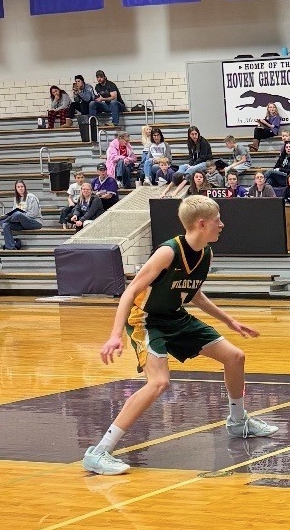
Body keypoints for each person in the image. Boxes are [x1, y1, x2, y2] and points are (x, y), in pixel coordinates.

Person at [81, 196, 277, 475]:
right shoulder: (168, 252)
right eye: (217, 220)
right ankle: (99, 452)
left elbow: (194, 293)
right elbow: (130, 291)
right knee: (159, 382)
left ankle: (238, 421)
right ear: (202, 224)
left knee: (235, 357)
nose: (222, 225)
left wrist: (230, 321)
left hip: (175, 316)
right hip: (146, 320)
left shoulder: (206, 253)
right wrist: (115, 335)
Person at [1, 180, 43, 250]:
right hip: (22, 223)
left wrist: (21, 216)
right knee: (6, 225)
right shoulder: (16, 199)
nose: (20, 188)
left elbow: (34, 213)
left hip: (35, 222)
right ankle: (11, 247)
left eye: (22, 186)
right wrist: (18, 217)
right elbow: (13, 214)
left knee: (17, 214)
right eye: (18, 187)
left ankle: (2, 221)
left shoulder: (31, 197)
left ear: (25, 187)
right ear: (16, 189)